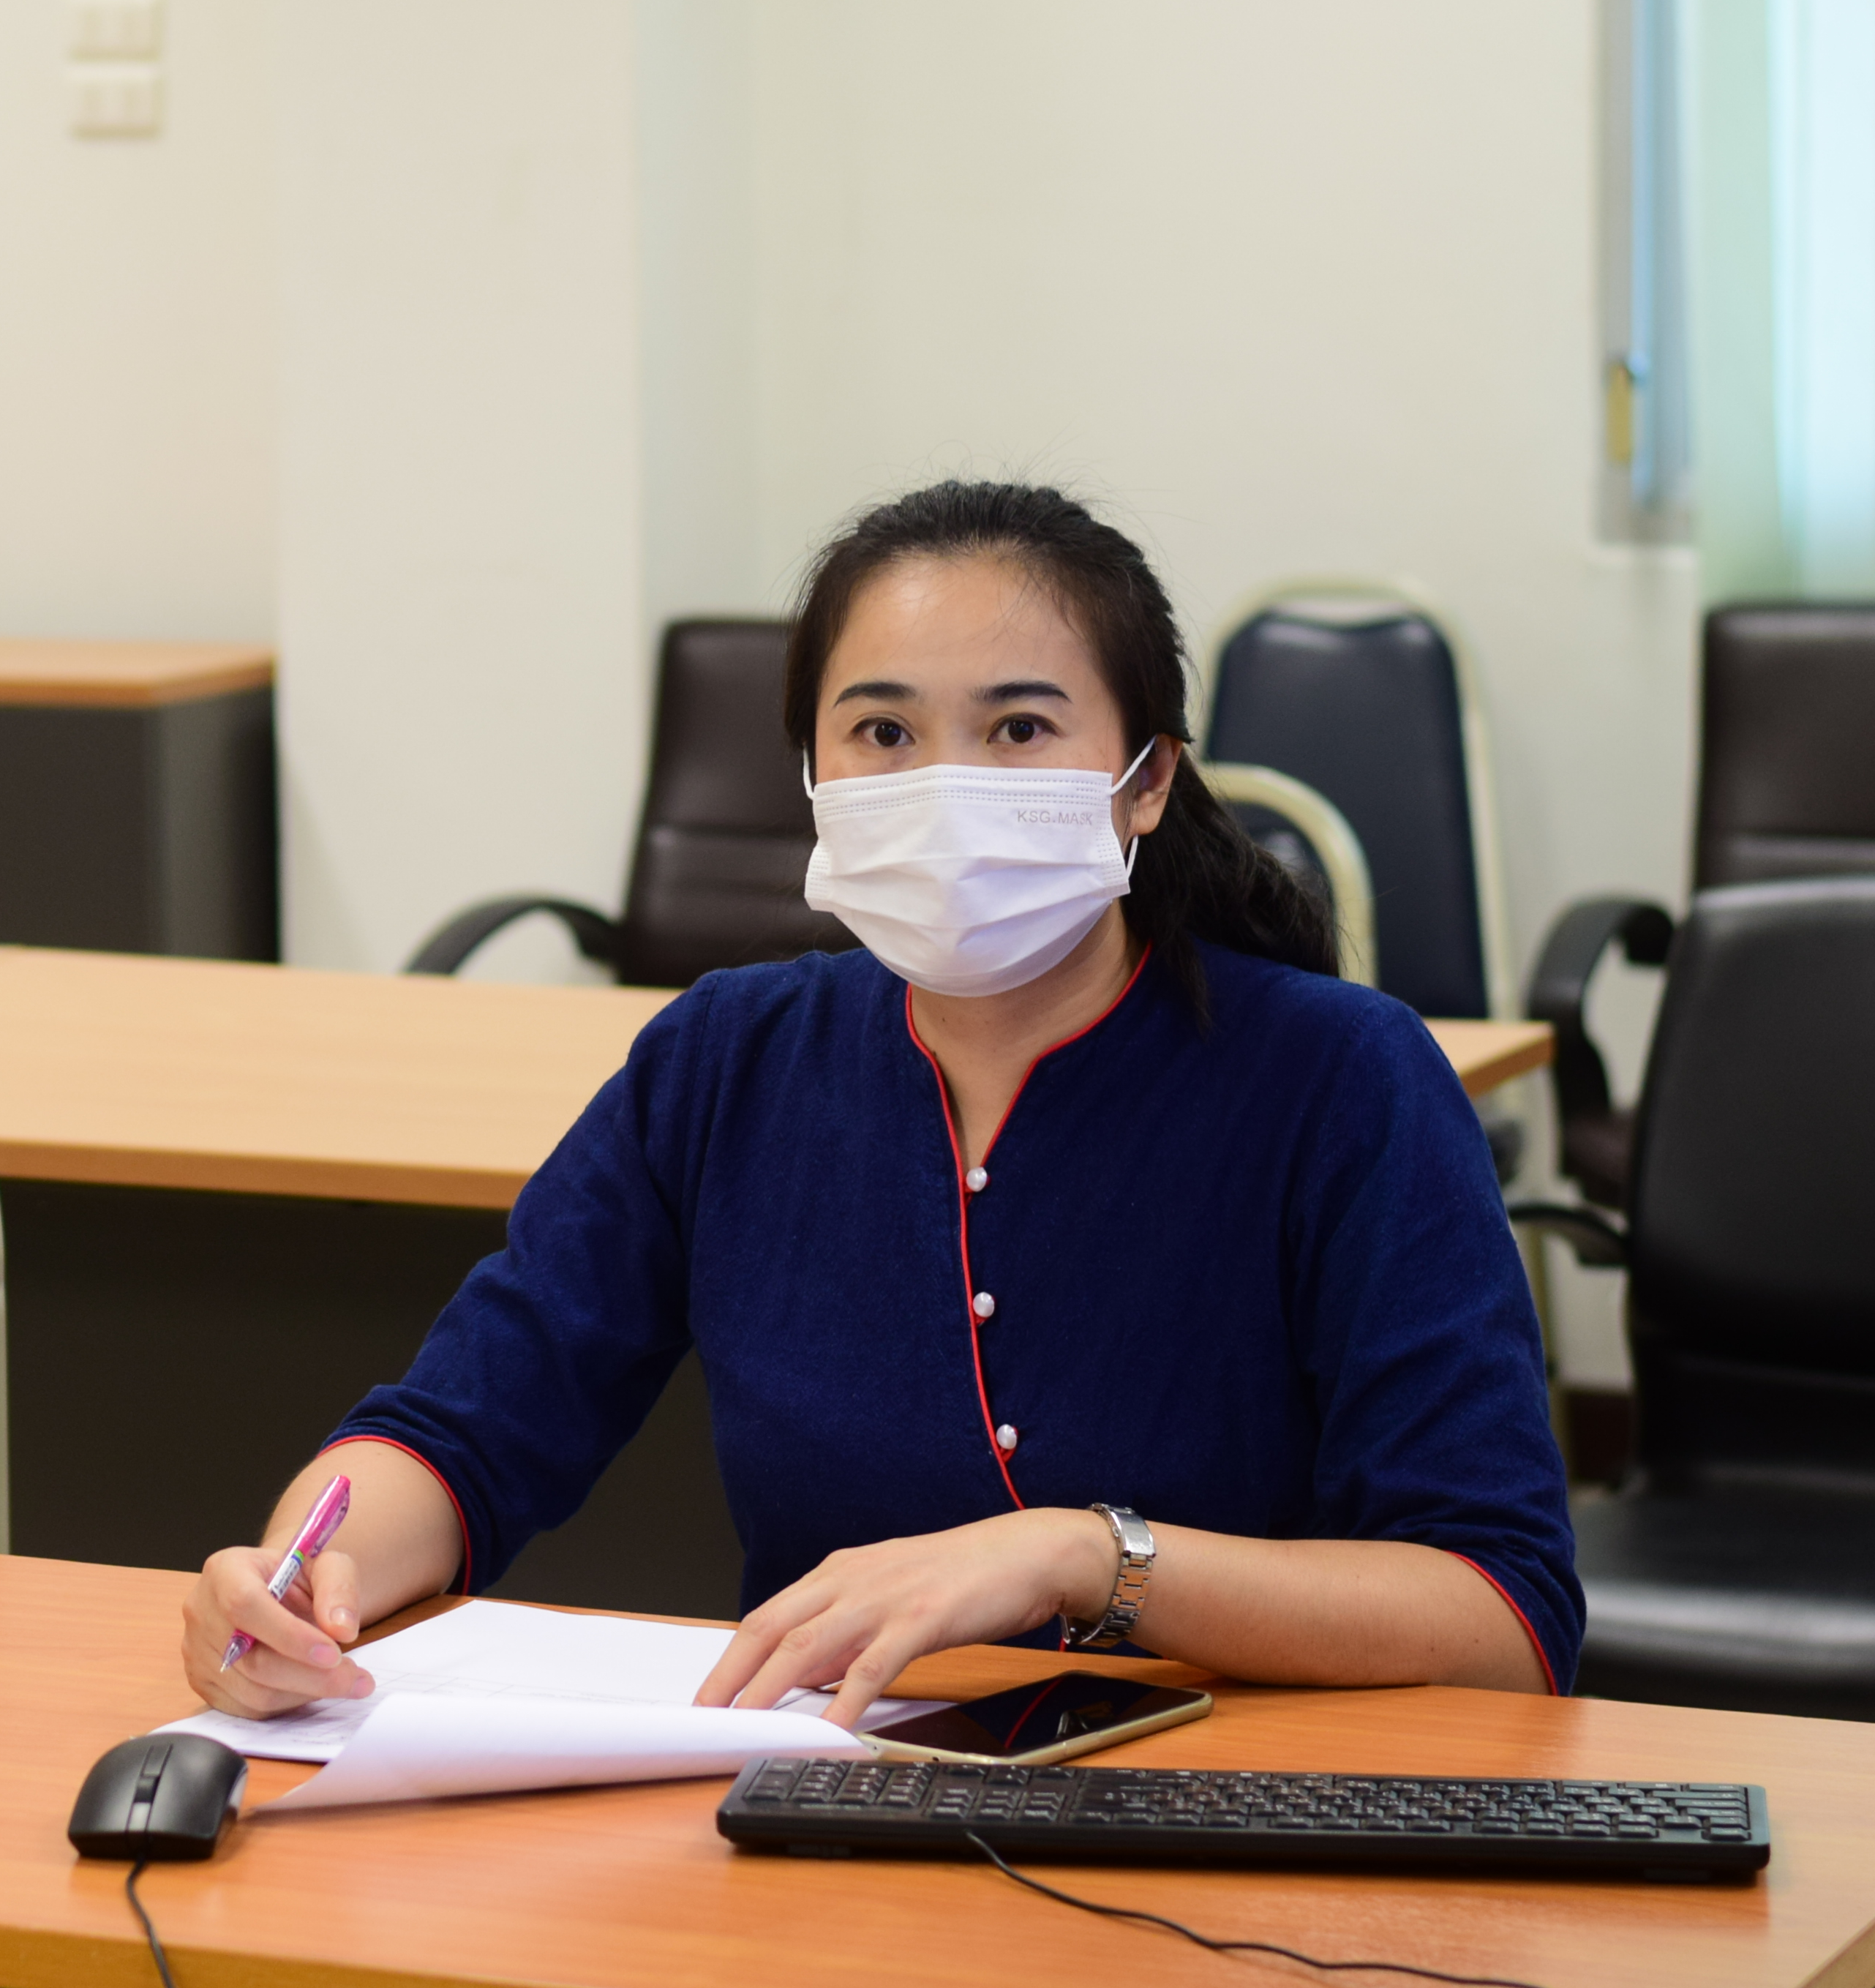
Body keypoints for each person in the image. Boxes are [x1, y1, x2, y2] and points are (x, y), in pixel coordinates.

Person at [183, 480, 1579, 1727]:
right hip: (826, 1811)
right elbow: (463, 1430)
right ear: (812, 777)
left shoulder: (1343, 1078)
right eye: (883, 730)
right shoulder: (727, 1060)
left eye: (1019, 727)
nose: (943, 783)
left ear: (1145, 784)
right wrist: (305, 1575)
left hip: (1237, 1822)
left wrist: (1087, 1552)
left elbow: (1500, 1618)